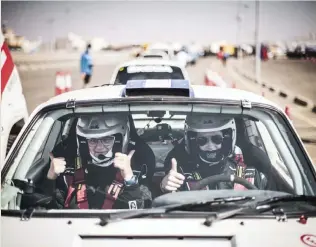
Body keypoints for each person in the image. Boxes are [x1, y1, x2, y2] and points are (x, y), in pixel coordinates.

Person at [43, 113, 154, 209]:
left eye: (106, 140)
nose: (99, 148)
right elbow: (48, 212)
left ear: (121, 139)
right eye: (92, 141)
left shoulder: (138, 165)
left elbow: (141, 213)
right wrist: (50, 179)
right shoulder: (68, 166)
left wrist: (129, 179)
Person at [160, 114, 266, 193]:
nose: (210, 146)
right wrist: (164, 187)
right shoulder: (181, 176)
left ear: (227, 140)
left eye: (216, 139)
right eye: (202, 140)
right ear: (193, 143)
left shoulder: (249, 175)